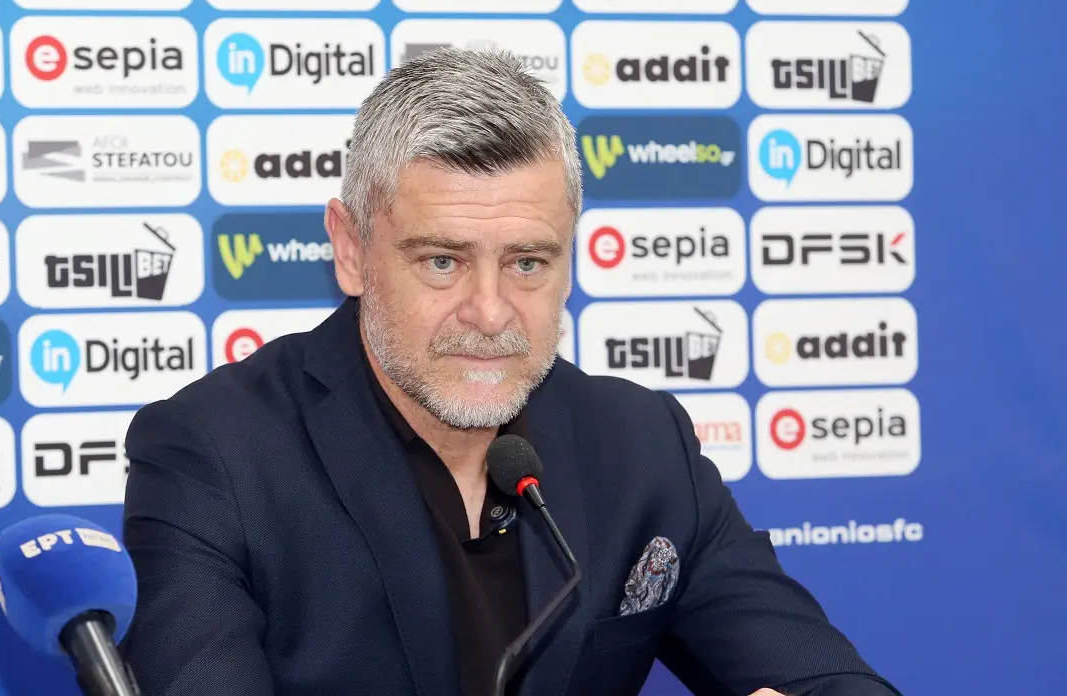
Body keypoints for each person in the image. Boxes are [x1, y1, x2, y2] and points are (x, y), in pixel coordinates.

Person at [119, 47, 901, 696]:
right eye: (442, 261)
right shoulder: (213, 454)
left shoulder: (641, 444)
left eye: (528, 262)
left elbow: (826, 678)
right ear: (351, 249)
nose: (490, 312)